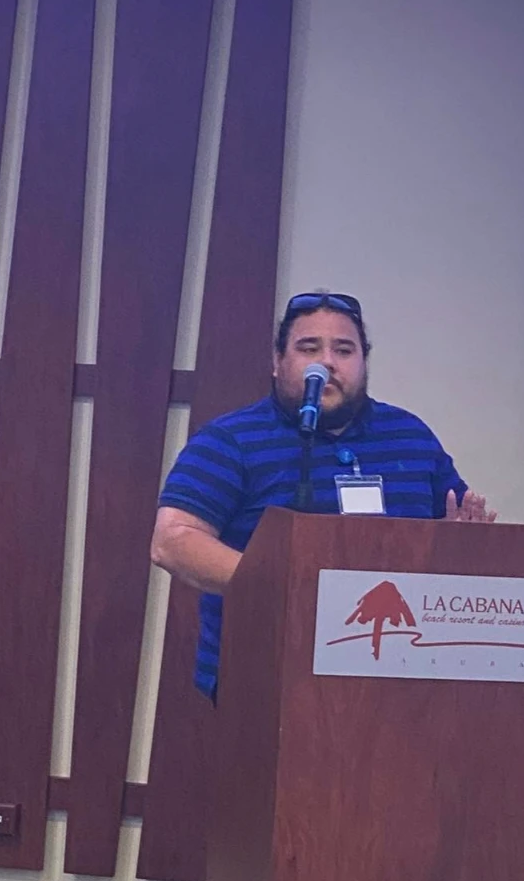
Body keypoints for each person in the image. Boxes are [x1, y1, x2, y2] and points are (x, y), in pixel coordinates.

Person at [151, 291, 495, 699]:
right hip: (264, 677)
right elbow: (173, 540)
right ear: (277, 362)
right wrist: (286, 583)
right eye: (309, 348)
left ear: (364, 362)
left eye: (344, 350)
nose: (327, 362)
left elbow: (454, 528)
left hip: (404, 678)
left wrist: (461, 548)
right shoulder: (231, 439)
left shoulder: (411, 436)